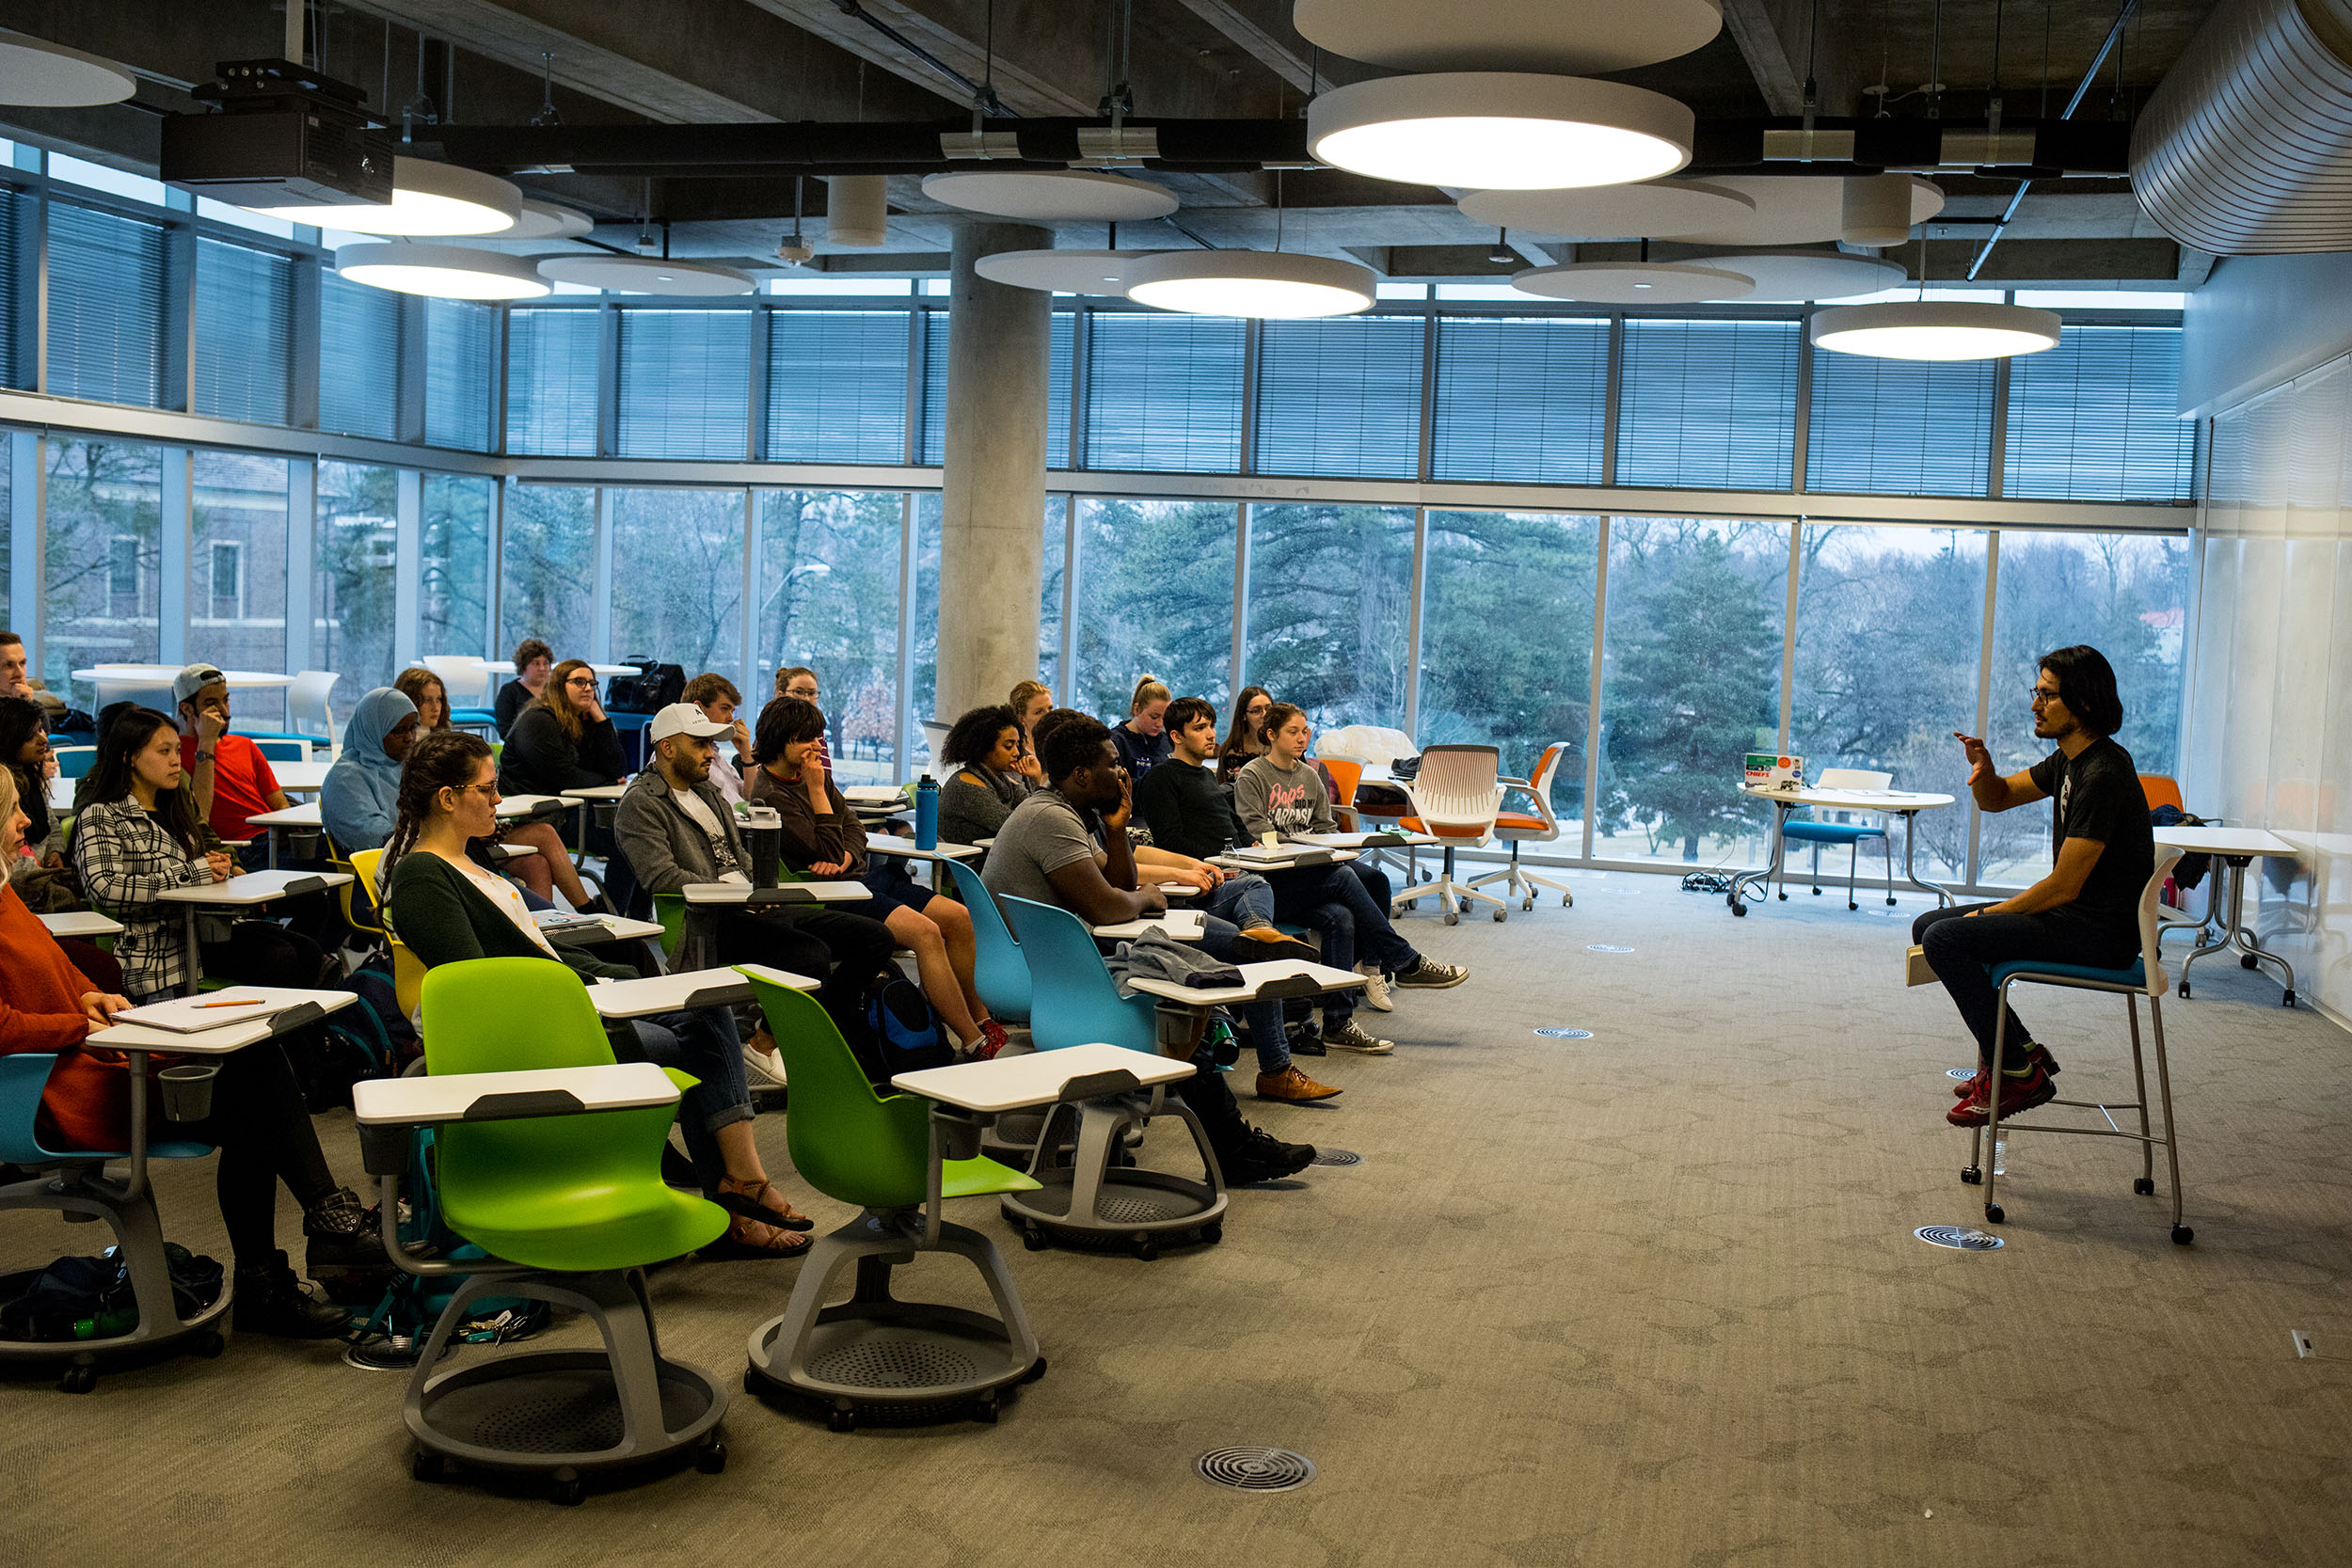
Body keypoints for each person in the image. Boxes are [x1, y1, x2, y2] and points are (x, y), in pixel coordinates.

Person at [383, 730, 813, 1259]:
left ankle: (738, 1192)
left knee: (705, 1006)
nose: (500, 801)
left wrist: (621, 980)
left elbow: (544, 954)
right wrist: (591, 989)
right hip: (534, 1038)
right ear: (448, 798)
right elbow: (484, 988)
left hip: (566, 1007)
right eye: (487, 790)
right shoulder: (422, 876)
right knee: (692, 1042)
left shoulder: (476, 864)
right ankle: (739, 1198)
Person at [0, 766, 370, 1335]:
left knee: (255, 1075)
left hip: (87, 1061)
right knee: (256, 1086)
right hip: (47, 1095)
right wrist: (78, 1022)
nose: (27, 820)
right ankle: (313, 1235)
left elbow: (59, 969)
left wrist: (92, 994)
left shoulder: (3, 894)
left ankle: (285, 1263)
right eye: (11, 811)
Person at [978, 715, 1318, 1179]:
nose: (1123, 774)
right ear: (1081, 775)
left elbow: (1118, 881)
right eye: (1113, 764)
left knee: (1180, 969)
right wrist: (1147, 897)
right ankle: (1233, 1145)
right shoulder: (1049, 819)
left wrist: (1117, 828)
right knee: (1176, 999)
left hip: (1048, 966)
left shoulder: (1062, 812)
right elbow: (1110, 906)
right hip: (1051, 977)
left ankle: (1251, 968)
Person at [1918, 645, 2156, 1129]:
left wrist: (1988, 915)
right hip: (2073, 919)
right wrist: (1984, 771)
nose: (2034, 705)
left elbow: (2063, 887)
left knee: (1946, 938)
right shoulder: (2068, 760)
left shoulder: (2104, 773)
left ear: (2084, 703)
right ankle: (2021, 1054)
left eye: (2047, 696)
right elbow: (1998, 798)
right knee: (1929, 924)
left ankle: (2015, 1072)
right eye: (2037, 692)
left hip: (2099, 934)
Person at [1142, 696, 1452, 1048]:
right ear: (1176, 736)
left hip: (1249, 871)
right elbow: (1172, 843)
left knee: (1341, 916)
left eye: (1211, 725)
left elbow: (1238, 829)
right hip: (1226, 883)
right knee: (1345, 878)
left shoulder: (1207, 777)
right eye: (1200, 728)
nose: (1211, 734)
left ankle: (1337, 1023)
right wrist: (1233, 854)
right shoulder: (1162, 779)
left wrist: (1249, 848)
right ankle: (1402, 959)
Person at [610, 704, 898, 1078]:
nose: (710, 753)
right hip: (706, 921)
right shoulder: (641, 804)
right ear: (667, 748)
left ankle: (826, 1029)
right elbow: (661, 876)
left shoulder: (708, 793)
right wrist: (737, 895)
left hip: (751, 904)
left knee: (874, 938)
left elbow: (739, 857)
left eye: (711, 745)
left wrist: (762, 889)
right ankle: (766, 1043)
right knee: (810, 955)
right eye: (700, 745)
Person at [746, 698, 1007, 1058]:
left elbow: (853, 829)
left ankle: (981, 1022)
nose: (818, 747)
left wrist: (848, 854)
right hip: (836, 893)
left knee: (959, 919)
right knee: (926, 934)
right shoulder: (771, 795)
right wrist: (820, 796)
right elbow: (827, 850)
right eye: (809, 739)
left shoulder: (810, 776)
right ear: (784, 740)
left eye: (820, 738)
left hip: (865, 876)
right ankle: (971, 1040)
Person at [71, 707, 331, 1002]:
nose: (175, 761)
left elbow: (196, 869)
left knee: (307, 950)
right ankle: (272, 1041)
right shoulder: (102, 815)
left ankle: (305, 1038)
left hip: (201, 930)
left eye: (178, 750)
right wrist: (196, 872)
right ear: (129, 757)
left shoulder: (174, 810)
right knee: (280, 958)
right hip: (157, 943)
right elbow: (106, 888)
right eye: (163, 751)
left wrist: (223, 871)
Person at [1237, 704, 1470, 1001]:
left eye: (1304, 731)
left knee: (1377, 880)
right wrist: (1307, 845)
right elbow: (1257, 830)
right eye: (1292, 732)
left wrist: (1333, 845)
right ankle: (1404, 960)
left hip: (1316, 861)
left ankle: (1370, 966)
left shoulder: (1309, 774)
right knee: (1346, 877)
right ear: (1271, 734)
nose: (1301, 738)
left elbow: (1326, 825)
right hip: (1281, 870)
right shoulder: (1253, 774)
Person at [387, 671, 592, 907]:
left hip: (467, 843)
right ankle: (587, 909)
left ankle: (569, 919)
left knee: (537, 865)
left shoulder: (451, 744)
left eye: (439, 699)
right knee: (544, 835)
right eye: (427, 700)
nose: (435, 707)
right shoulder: (419, 758)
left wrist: (600, 721)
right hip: (457, 843)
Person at [171, 663, 294, 852]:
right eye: (211, 703)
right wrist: (206, 742)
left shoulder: (244, 745)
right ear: (187, 709)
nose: (224, 711)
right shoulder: (173, 753)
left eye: (226, 700)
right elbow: (199, 819)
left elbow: (280, 804)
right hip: (237, 849)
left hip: (271, 839)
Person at [499, 657, 625, 798]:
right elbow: (562, 776)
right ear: (559, 686)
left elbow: (617, 769)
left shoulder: (586, 719)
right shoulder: (539, 720)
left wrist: (602, 722)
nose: (588, 689)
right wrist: (609, 781)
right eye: (579, 682)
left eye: (592, 683)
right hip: (527, 803)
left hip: (564, 801)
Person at [319, 687, 421, 854]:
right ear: (372, 729)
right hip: (371, 868)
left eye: (413, 728)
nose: (409, 738)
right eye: (398, 731)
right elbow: (373, 836)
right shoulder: (345, 778)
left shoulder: (408, 768)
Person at [937, 705, 1032, 847]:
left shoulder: (1000, 780)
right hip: (971, 866)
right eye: (1008, 746)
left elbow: (1033, 811)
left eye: (1017, 745)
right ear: (985, 748)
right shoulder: (965, 786)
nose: (1017, 753)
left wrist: (1034, 777)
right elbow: (1014, 825)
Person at [683, 673, 752, 804]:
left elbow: (750, 797)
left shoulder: (716, 753)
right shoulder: (682, 755)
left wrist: (747, 755)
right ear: (698, 709)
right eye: (725, 709)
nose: (731, 718)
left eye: (732, 711)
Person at [1111, 674, 1173, 784]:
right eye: (1154, 717)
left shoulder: (1167, 741)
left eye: (1165, 717)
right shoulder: (1116, 742)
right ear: (1137, 709)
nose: (1160, 724)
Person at [774, 666, 834, 774]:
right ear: (781, 695)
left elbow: (825, 776)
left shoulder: (816, 729)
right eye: (799, 692)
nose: (806, 699)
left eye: (811, 693)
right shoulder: (772, 728)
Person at [495, 639, 554, 736]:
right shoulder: (509, 691)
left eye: (546, 663)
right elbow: (505, 730)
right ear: (523, 666)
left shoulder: (555, 690)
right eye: (536, 664)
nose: (542, 668)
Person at [1216, 685, 1274, 784]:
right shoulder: (1232, 751)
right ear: (1244, 715)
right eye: (1256, 711)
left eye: (1268, 709)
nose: (1264, 714)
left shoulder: (1282, 743)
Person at [1007, 679, 1052, 784]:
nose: (1048, 715)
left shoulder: (1058, 748)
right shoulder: (1015, 755)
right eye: (1039, 712)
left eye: (1050, 708)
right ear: (1021, 718)